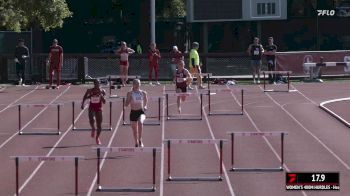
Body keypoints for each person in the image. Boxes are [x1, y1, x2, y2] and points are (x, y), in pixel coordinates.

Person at [81, 79, 106, 145]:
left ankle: (97, 138)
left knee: (99, 125)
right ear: (94, 84)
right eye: (96, 83)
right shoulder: (89, 90)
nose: (98, 85)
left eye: (98, 83)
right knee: (91, 120)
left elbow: (104, 102)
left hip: (99, 108)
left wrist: (101, 95)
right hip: (91, 108)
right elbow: (84, 97)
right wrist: (82, 104)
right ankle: (93, 128)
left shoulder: (102, 91)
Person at [125, 79, 148, 147]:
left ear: (140, 84)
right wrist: (129, 99)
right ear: (133, 85)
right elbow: (126, 104)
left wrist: (145, 106)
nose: (137, 85)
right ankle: (136, 142)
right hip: (133, 112)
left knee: (140, 123)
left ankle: (140, 139)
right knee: (135, 130)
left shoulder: (143, 92)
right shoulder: (129, 93)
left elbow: (146, 99)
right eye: (135, 84)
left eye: (138, 84)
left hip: (141, 111)